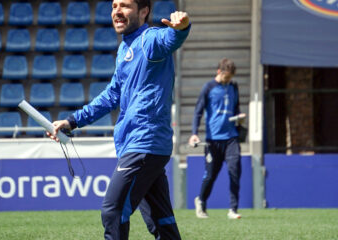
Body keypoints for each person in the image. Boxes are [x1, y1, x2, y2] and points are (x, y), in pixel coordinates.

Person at [47, 0, 191, 239]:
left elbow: (170, 39)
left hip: (145, 143)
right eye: (114, 5)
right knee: (161, 221)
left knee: (112, 211)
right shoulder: (125, 49)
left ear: (144, 12)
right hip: (138, 145)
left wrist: (182, 27)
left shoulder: (150, 40)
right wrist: (72, 121)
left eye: (125, 6)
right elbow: (112, 95)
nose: (117, 11)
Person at [188, 58, 245, 220]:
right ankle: (201, 201)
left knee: (235, 172)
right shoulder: (208, 88)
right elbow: (198, 111)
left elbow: (236, 107)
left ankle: (233, 210)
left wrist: (239, 118)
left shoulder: (234, 86)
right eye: (226, 77)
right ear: (219, 72)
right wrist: (194, 133)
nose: (228, 80)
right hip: (213, 140)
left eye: (231, 78)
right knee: (210, 175)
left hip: (232, 138)